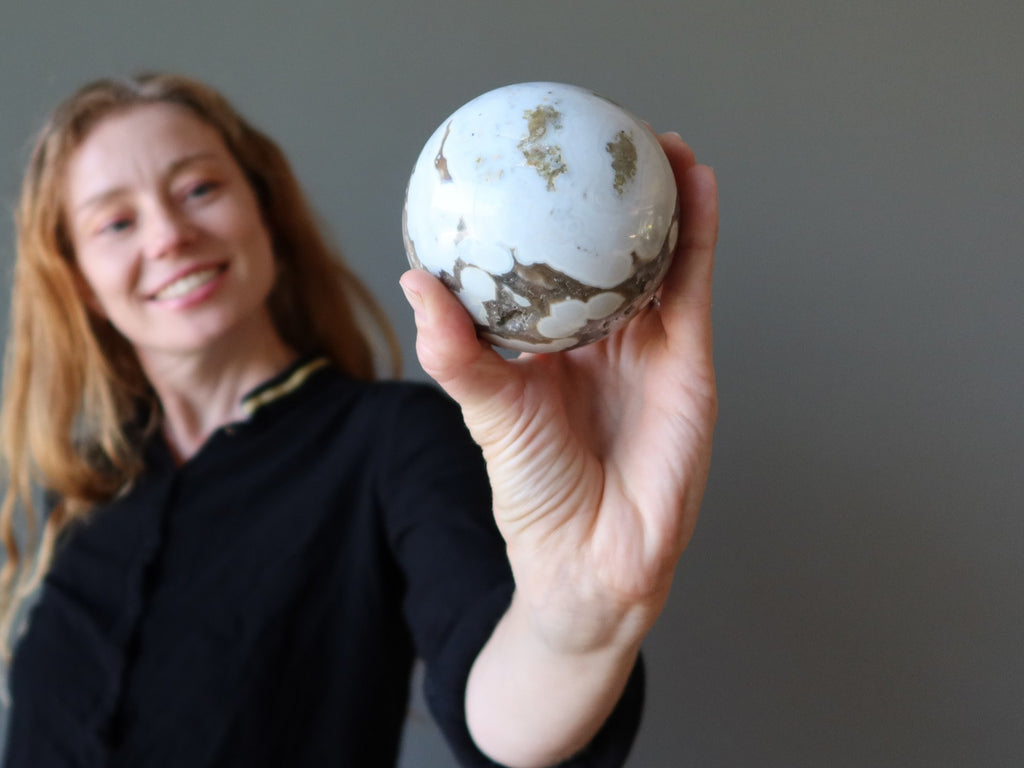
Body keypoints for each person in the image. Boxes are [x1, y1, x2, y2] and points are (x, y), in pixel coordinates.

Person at [0, 73, 718, 768]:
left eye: (199, 189)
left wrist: (582, 624)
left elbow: (497, 709)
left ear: (266, 211)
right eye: (116, 221)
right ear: (80, 282)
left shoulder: (393, 442)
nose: (167, 237)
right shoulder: (86, 489)